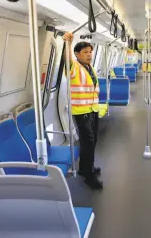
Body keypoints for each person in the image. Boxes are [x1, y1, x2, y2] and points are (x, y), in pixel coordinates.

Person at [63, 32, 103, 190]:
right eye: (85, 52)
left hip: (92, 109)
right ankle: (88, 176)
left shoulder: (90, 68)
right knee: (88, 143)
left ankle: (86, 167)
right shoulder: (74, 68)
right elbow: (66, 60)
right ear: (77, 54)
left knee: (93, 141)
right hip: (81, 111)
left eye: (90, 52)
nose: (89, 55)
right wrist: (67, 43)